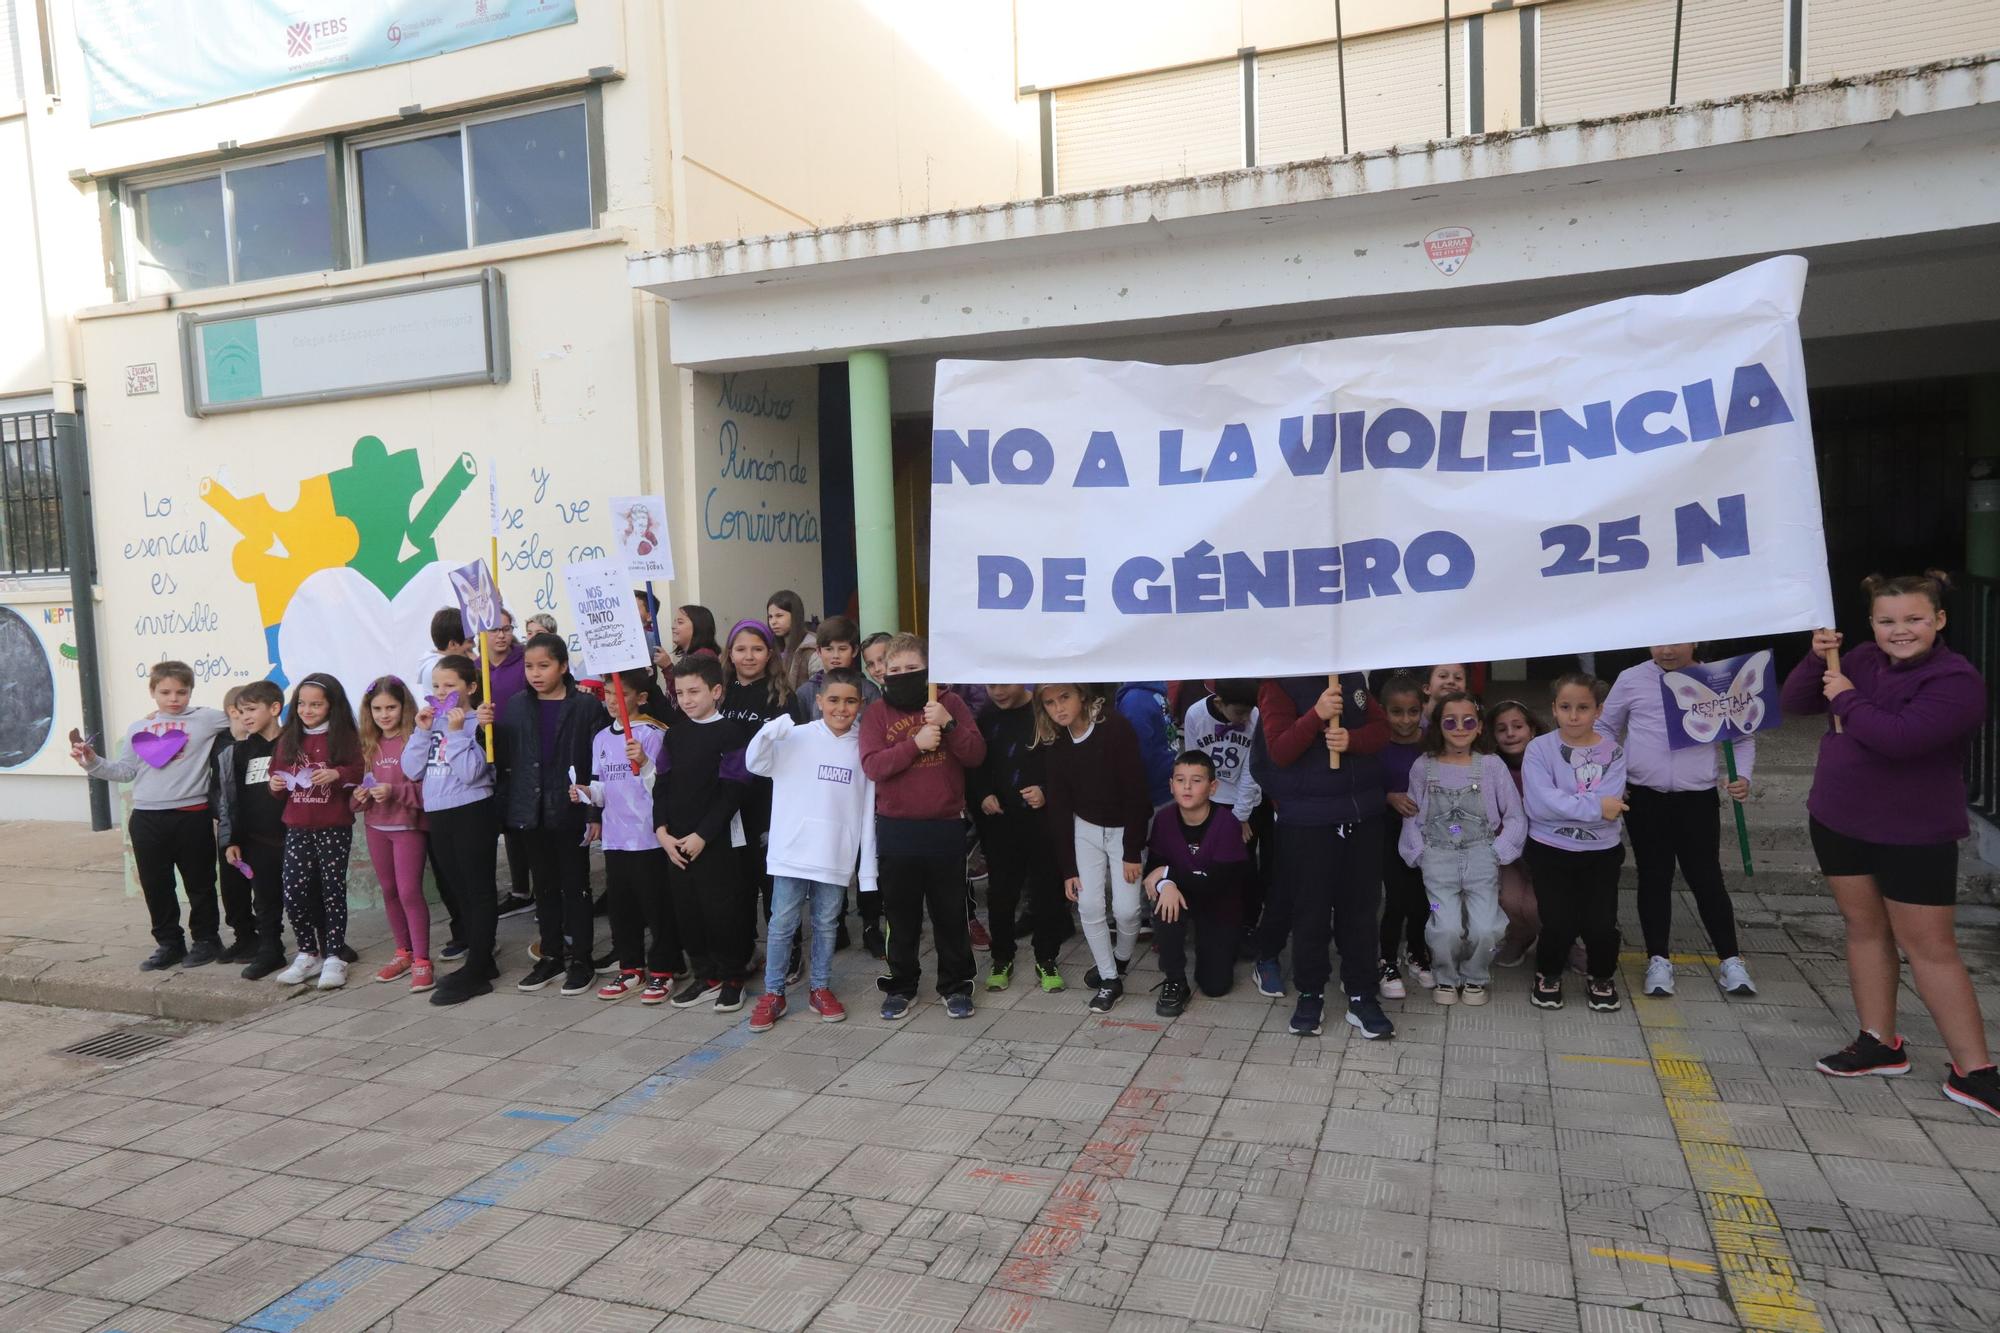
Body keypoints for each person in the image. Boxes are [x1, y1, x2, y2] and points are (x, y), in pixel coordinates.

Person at [1782, 572, 1999, 1118]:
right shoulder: (1855, 658)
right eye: (1887, 621)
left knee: (1931, 949)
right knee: (1864, 929)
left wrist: (1848, 699)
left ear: (1939, 620)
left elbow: (1900, 739)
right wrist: (1818, 658)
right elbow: (1796, 701)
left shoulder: (1958, 680)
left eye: (1913, 619)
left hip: (1913, 832)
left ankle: (1974, 1071)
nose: (1900, 631)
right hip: (1837, 818)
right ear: (1872, 624)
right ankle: (1879, 1042)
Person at [1603, 644, 1758, 1000]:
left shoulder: (1719, 680)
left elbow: (1743, 736)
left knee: (1706, 878)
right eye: (1659, 640)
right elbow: (1606, 729)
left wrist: (1743, 777)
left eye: (1678, 640)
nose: (1667, 649)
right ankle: (1658, 959)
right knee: (1653, 876)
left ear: (1696, 641)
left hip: (1697, 796)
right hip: (1644, 795)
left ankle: (1731, 959)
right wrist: (1613, 777)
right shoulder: (1631, 679)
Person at [1248, 674, 1395, 1040]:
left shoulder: (1351, 677)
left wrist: (1352, 740)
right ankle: (1310, 993)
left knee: (1361, 912)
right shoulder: (1277, 685)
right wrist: (1316, 714)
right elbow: (1279, 750)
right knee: (1310, 913)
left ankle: (1362, 995)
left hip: (1363, 816)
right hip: (1308, 822)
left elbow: (1381, 730)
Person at [72, 661, 232, 970]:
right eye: (166, 692)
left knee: (200, 882)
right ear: (152, 692)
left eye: (181, 692)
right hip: (147, 818)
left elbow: (244, 717)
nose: (174, 699)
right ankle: (169, 944)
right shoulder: (138, 728)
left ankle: (207, 940)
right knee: (156, 885)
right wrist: (92, 762)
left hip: (192, 815)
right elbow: (125, 771)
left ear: (191, 692)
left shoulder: (207, 719)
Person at [861, 634, 986, 1021]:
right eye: (894, 670)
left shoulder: (948, 703)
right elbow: (873, 766)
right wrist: (915, 743)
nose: (902, 676)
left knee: (950, 913)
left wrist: (948, 726)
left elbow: (976, 754)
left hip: (945, 828)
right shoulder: (877, 713)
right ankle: (901, 983)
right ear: (882, 673)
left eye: (912, 670)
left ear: (928, 670)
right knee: (901, 916)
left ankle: (956, 984)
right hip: (897, 830)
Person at [745, 667, 878, 1031]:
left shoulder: (864, 746)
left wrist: (866, 869)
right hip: (791, 850)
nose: (841, 707)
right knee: (782, 923)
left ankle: (820, 988)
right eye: (833, 700)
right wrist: (769, 733)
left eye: (850, 701)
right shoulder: (796, 736)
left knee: (826, 925)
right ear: (819, 701)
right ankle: (773, 993)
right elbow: (754, 764)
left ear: (861, 704)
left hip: (834, 854)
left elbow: (866, 810)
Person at [1397, 692, 1525, 1006]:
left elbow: (1515, 816)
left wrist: (1500, 851)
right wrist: (1418, 853)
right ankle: (1446, 976)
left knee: (1486, 927)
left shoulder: (1492, 767)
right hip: (1437, 860)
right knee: (1446, 927)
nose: (1459, 727)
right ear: (1438, 726)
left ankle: (1476, 975)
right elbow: (1411, 816)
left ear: (1480, 727)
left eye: (1468, 721)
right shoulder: (1423, 767)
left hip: (1482, 858)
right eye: (1450, 721)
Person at [495, 634, 606, 997]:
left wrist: (593, 811)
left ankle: (582, 959)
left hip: (569, 809)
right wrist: (484, 732)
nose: (536, 673)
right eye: (529, 666)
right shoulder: (515, 707)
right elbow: (505, 760)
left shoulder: (585, 708)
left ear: (562, 666)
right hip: (531, 811)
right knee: (543, 887)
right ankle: (551, 954)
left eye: (544, 666)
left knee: (576, 886)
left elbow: (597, 763)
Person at [1036, 682, 1151, 1012]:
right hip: (1085, 829)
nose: (1058, 707)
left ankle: (1120, 960)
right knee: (1088, 904)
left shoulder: (1114, 728)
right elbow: (1058, 807)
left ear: (1082, 695)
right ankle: (1109, 977)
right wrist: (1068, 869)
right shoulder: (1056, 741)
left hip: (1123, 830)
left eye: (1065, 697)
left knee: (1128, 911)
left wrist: (1132, 850)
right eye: (1049, 703)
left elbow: (1136, 793)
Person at [1521, 672, 1629, 1013]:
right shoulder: (1539, 749)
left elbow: (1611, 807)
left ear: (1598, 711)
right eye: (1565, 707)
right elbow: (1539, 804)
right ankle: (1548, 974)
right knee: (1558, 919)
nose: (1573, 715)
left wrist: (1566, 807)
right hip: (1550, 850)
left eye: (1583, 707)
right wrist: (1596, 806)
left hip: (1601, 852)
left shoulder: (1613, 752)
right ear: (1553, 709)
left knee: (1601, 922)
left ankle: (1601, 975)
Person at [574, 669, 679, 1005]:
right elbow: (604, 788)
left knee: (656, 906)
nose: (612, 702)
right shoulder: (602, 738)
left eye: (620, 695)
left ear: (641, 698)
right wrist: (587, 793)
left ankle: (664, 969)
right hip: (616, 839)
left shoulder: (652, 735)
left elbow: (662, 788)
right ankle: (631, 966)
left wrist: (646, 762)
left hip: (648, 838)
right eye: (607, 694)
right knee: (622, 908)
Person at [654, 654, 753, 1012]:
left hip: (715, 841)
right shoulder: (675, 734)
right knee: (688, 910)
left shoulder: (730, 732)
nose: (687, 699)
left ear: (716, 691)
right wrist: (661, 831)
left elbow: (734, 790)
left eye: (694, 691)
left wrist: (703, 835)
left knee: (721, 910)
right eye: (680, 693)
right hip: (675, 842)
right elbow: (661, 784)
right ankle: (704, 973)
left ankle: (732, 976)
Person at [410, 655, 501, 1005]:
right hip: (439, 812)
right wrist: (421, 732)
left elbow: (472, 772)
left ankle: (478, 969)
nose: (441, 692)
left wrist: (457, 732)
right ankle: (481, 958)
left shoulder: (481, 720)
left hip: (471, 810)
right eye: (436, 686)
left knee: (478, 890)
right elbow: (412, 768)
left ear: (471, 687)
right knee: (458, 890)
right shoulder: (430, 723)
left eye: (450, 685)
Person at [268, 673, 366, 989]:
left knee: (331, 890)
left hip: (333, 826)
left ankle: (334, 955)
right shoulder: (288, 738)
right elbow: (277, 780)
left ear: (331, 706)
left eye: (316, 705)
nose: (307, 711)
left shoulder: (345, 737)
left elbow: (358, 771)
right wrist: (276, 784)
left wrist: (337, 774)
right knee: (294, 890)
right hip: (297, 826)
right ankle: (308, 952)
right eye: (302, 704)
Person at [969, 683, 1064, 993]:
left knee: (1046, 891)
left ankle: (1047, 957)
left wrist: (1047, 791)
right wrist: (982, 795)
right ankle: (1002, 958)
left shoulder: (1042, 711)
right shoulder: (985, 715)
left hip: (1041, 821)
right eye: (990, 685)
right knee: (1001, 893)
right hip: (999, 821)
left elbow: (1063, 762)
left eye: (1004, 684)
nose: (997, 691)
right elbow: (974, 765)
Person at [1143, 751, 1250, 1016]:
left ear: (1212, 787)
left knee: (1215, 986)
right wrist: (1165, 885)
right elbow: (1153, 870)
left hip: (1219, 904)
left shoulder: (1227, 824)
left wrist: (1169, 875)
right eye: (1180, 780)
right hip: (1182, 898)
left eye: (1196, 780)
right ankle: (1175, 980)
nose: (1187, 787)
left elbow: (1216, 882)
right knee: (1165, 904)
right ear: (1171, 785)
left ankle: (1225, 946)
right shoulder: (1164, 819)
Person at [722, 620, 793, 955]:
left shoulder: (782, 696)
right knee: (737, 881)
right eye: (741, 649)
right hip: (727, 803)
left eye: (757, 649)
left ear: (769, 654)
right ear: (730, 654)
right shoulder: (719, 691)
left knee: (773, 880)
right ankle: (745, 947)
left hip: (770, 801)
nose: (748, 656)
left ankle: (786, 951)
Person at [355, 677, 432, 992]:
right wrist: (358, 796)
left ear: (404, 707)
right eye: (377, 709)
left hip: (408, 828)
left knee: (409, 892)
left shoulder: (414, 740)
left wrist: (395, 792)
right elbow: (352, 793)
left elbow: (427, 791)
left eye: (391, 707)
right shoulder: (366, 746)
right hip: (376, 827)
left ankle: (423, 959)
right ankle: (403, 951)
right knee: (389, 890)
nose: (384, 714)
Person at [216, 680, 288, 978]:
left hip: (294, 835)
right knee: (264, 900)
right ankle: (271, 951)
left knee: (305, 895)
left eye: (251, 710)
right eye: (241, 711)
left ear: (274, 708)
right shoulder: (239, 752)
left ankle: (325, 946)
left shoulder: (291, 744)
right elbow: (230, 799)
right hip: (257, 839)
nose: (245, 717)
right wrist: (231, 839)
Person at [1376, 675, 1432, 999]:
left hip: (1429, 833)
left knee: (1424, 897)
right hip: (1389, 830)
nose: (1406, 720)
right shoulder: (1377, 745)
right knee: (1396, 897)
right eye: (1397, 712)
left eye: (1413, 711)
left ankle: (1416, 950)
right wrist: (1388, 797)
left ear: (1422, 709)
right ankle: (1386, 958)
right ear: (1384, 711)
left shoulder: (1431, 743)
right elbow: (1365, 784)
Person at [481, 608, 536, 923]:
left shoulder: (524, 662)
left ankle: (541, 888)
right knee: (507, 826)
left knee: (527, 821)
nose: (501, 635)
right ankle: (519, 890)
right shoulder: (476, 668)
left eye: (506, 628)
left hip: (522, 751)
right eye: (494, 629)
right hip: (489, 753)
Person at [1486, 700, 1547, 967]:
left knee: (1536, 906)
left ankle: (1562, 941)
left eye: (1518, 726)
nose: (1510, 733)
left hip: (1546, 849)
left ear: (1532, 729)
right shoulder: (1490, 767)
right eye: (1501, 729)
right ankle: (1519, 937)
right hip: (1509, 851)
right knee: (1510, 900)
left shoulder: (1550, 760)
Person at [210, 685, 254, 962]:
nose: (249, 718)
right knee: (232, 884)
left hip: (259, 824)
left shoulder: (263, 742)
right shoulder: (217, 742)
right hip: (227, 824)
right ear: (231, 712)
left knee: (262, 885)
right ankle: (243, 935)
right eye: (244, 711)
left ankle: (266, 935)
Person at [795, 615, 880, 723]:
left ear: (854, 651)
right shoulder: (806, 692)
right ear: (819, 651)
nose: (835, 655)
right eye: (829, 649)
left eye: (842, 649)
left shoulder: (869, 691)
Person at [1114, 680, 1178, 810]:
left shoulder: (1135, 701)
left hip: (1153, 793)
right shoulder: (1153, 692)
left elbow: (1137, 752)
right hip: (1167, 781)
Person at [414, 608, 473, 713]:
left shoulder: (435, 664)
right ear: (453, 644)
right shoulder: (436, 668)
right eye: (469, 641)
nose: (473, 645)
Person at [766, 589, 820, 694]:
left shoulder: (812, 649)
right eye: (770, 617)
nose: (773, 622)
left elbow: (817, 690)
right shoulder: (772, 648)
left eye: (779, 616)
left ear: (795, 615)